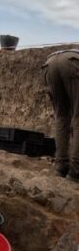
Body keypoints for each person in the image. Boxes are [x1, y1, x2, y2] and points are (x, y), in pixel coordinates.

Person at [43, 49, 79, 181]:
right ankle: (76, 171)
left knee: (61, 116)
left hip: (50, 63)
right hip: (74, 61)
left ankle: (61, 167)